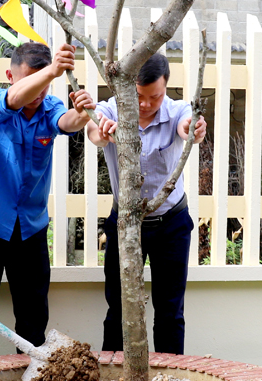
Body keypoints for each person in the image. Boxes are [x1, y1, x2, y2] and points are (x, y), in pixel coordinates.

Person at [0, 42, 94, 359]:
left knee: (34, 317)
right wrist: (51, 71)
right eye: (30, 82)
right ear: (10, 76)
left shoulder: (50, 108)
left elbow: (66, 123)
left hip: (31, 227)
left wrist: (83, 113)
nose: (38, 93)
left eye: (45, 85)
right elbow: (15, 98)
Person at [86, 53, 206, 353]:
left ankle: (171, 380)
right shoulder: (111, 109)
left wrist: (192, 128)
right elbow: (92, 131)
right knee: (119, 307)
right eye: (139, 95)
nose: (146, 104)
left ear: (165, 88)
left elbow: (187, 124)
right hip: (125, 223)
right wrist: (102, 131)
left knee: (170, 310)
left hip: (172, 224)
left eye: (155, 96)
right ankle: (114, 375)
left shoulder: (177, 110)